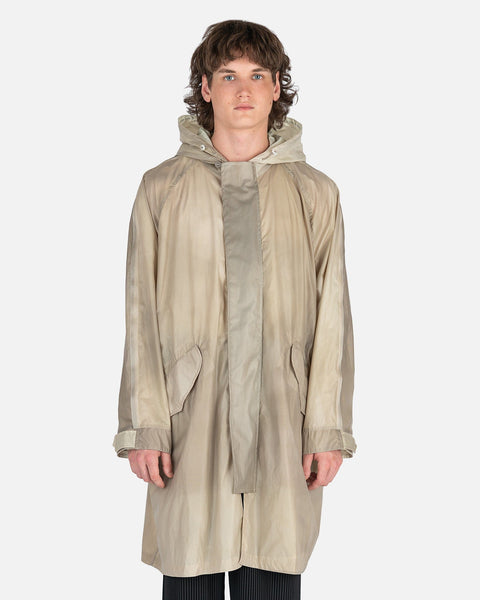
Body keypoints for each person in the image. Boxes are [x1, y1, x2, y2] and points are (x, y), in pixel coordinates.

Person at [113, 19, 357, 600]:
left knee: (271, 574)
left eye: (257, 75)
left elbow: (333, 319)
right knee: (191, 568)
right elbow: (139, 313)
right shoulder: (161, 188)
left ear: (277, 88)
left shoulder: (315, 192)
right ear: (205, 87)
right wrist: (145, 426)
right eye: (227, 75)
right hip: (189, 423)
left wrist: (327, 428)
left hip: (283, 421)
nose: (243, 90)